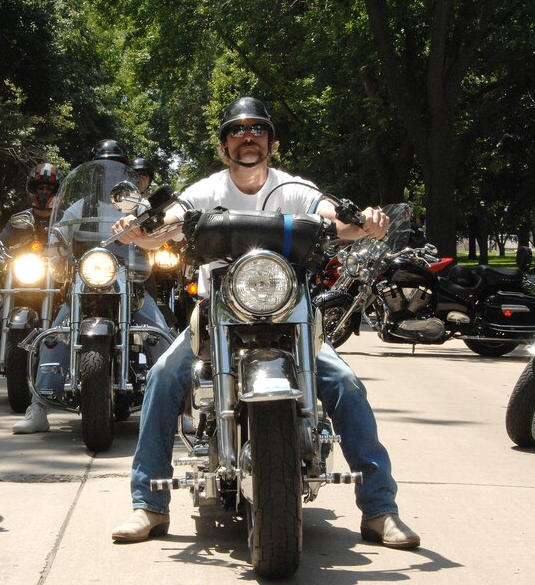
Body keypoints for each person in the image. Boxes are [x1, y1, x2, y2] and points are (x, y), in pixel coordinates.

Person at [108, 96, 420, 549]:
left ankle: (380, 510)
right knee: (162, 376)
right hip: (217, 310)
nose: (248, 136)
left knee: (346, 384)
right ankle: (148, 506)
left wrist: (365, 220)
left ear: (271, 141)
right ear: (224, 144)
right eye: (238, 130)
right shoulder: (205, 190)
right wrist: (141, 227)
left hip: (288, 310)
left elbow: (334, 216)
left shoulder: (293, 188)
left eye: (257, 129)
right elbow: (167, 222)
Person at [12, 144, 175, 434]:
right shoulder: (83, 206)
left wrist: (159, 232)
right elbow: (60, 231)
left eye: (116, 168)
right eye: (104, 168)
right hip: (86, 279)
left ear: (126, 173)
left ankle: (181, 405)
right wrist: (54, 246)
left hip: (130, 281)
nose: (110, 174)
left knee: (158, 331)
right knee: (56, 334)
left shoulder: (137, 206)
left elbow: (160, 228)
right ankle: (38, 406)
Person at [0, 162, 62, 404]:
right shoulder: (18, 221)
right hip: (24, 284)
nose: (44, 192)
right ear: (30, 189)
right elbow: (1, 245)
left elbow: (79, 244)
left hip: (58, 285)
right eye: (39, 186)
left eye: (49, 187)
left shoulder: (67, 220)